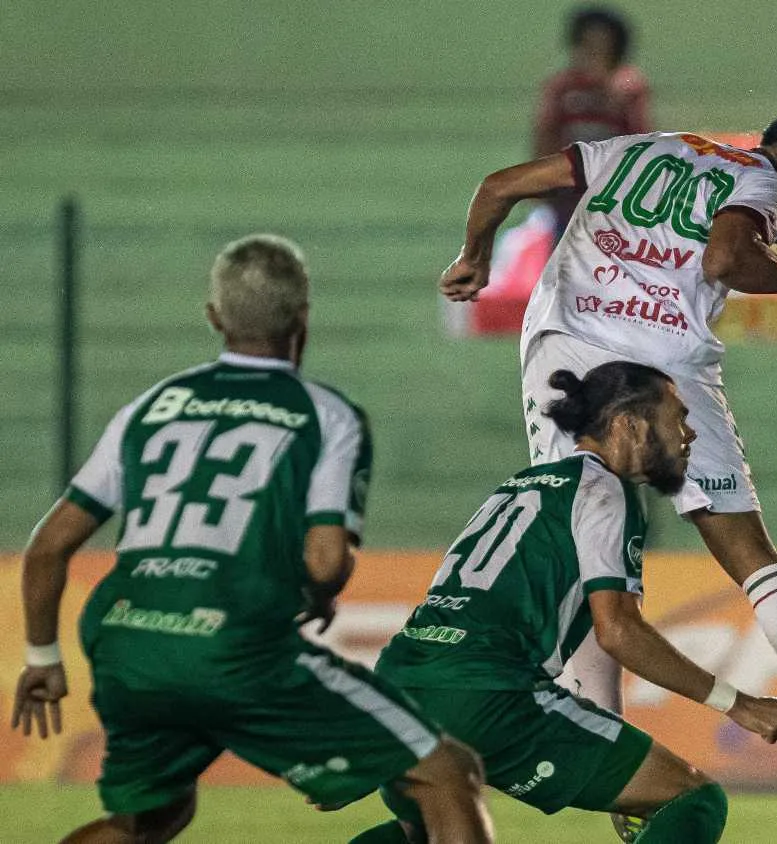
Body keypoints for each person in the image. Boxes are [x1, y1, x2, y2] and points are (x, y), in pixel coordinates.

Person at [439, 109, 777, 803]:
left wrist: (474, 255)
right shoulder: (765, 182)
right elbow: (726, 258)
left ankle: (610, 748)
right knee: (746, 548)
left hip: (571, 346)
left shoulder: (641, 148)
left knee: (587, 550)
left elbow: (500, 185)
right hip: (668, 360)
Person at [10, 235, 492, 844]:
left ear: (214, 317)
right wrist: (317, 592)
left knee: (150, 820)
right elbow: (324, 561)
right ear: (302, 315)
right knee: (447, 774)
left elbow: (50, 546)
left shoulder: (151, 407)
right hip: (234, 646)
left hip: (128, 641)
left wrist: (43, 659)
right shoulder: (325, 414)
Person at [354, 362, 777, 844]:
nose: (689, 434)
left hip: (400, 684)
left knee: (422, 832)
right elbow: (619, 631)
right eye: (677, 417)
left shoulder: (521, 484)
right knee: (690, 797)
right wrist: (737, 704)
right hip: (487, 693)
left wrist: (615, 761)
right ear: (630, 424)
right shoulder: (606, 492)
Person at [534, 5, 651, 238]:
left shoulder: (627, 87)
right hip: (569, 192)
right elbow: (546, 132)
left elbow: (640, 135)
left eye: (602, 46)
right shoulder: (563, 87)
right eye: (588, 45)